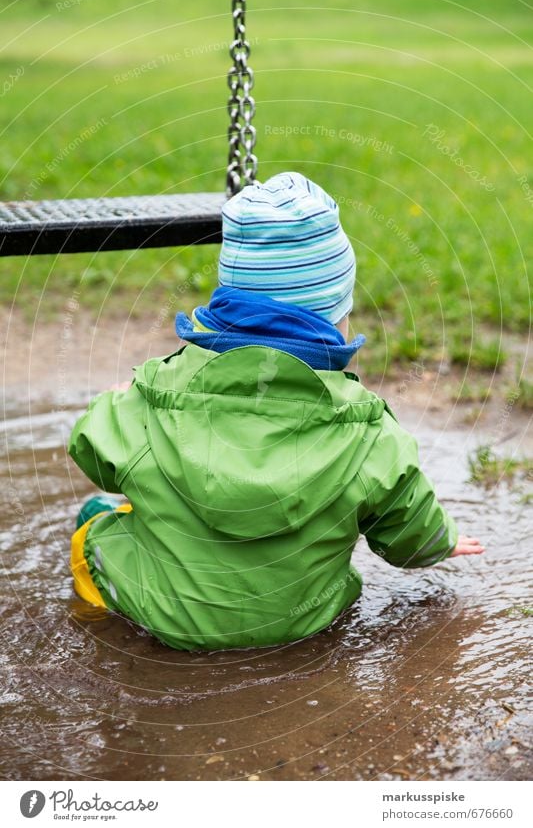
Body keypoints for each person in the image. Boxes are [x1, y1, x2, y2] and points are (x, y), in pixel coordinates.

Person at [69, 172, 484, 650]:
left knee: (95, 523)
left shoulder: (150, 400)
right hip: (305, 620)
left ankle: (97, 623)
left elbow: (90, 450)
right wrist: (440, 542)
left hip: (166, 620)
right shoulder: (368, 433)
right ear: (336, 316)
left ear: (223, 305)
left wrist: (116, 397)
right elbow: (406, 525)